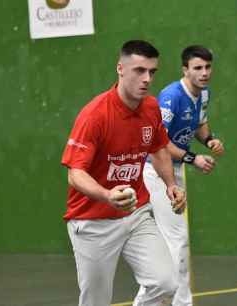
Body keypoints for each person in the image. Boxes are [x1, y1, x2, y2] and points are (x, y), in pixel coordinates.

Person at [61, 40, 187, 306]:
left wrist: (170, 185)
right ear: (120, 68)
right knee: (96, 301)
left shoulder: (151, 108)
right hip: (92, 221)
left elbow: (159, 148)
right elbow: (75, 173)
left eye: (152, 72)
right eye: (139, 70)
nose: (147, 78)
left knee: (165, 281)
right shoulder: (95, 115)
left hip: (136, 213)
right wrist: (107, 195)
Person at [136, 45, 224, 306]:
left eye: (208, 67)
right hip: (155, 170)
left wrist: (209, 141)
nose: (204, 72)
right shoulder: (170, 96)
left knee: (171, 240)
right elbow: (157, 143)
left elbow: (199, 124)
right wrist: (193, 158)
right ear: (185, 69)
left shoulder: (204, 94)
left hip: (174, 171)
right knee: (177, 240)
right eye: (198, 68)